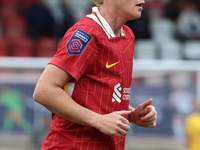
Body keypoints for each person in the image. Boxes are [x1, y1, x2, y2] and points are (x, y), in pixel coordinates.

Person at [33, 0, 157, 149]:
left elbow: (101, 100)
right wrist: (97, 119)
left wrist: (132, 115)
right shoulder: (86, 33)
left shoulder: (128, 36)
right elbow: (44, 91)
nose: (143, 0)